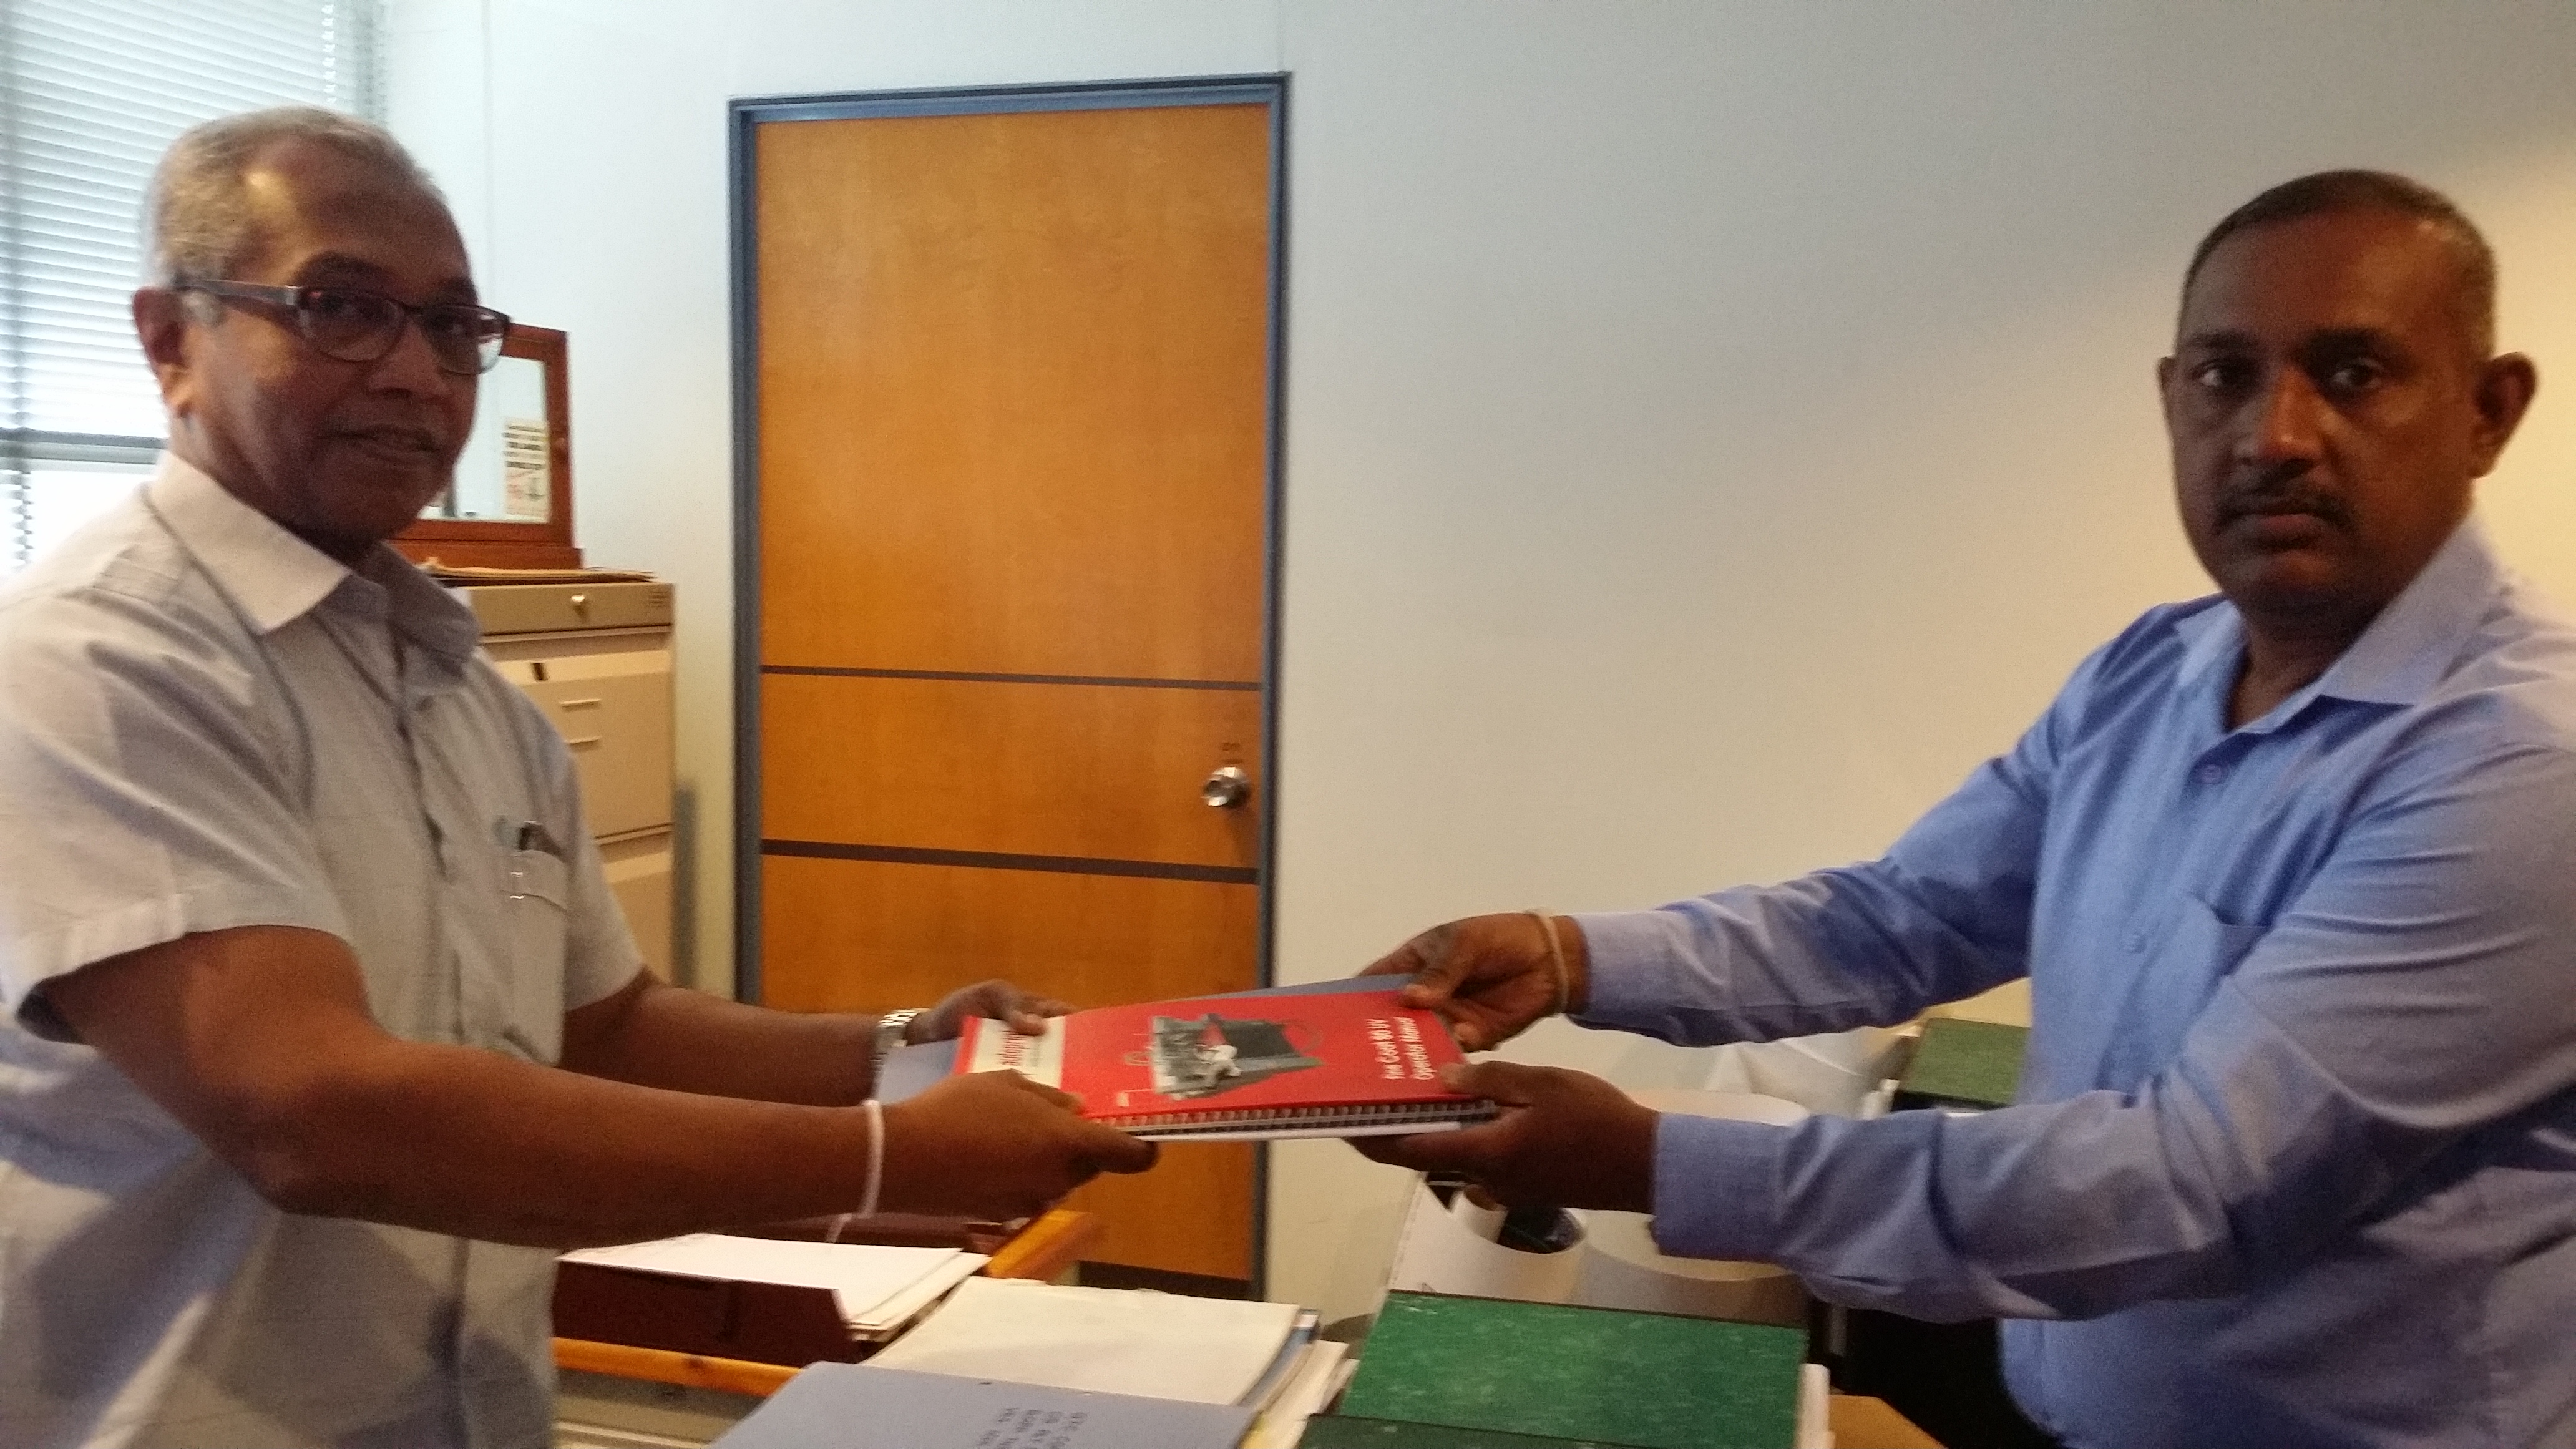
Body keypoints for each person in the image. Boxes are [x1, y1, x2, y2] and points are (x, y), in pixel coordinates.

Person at [0, 107, 1156, 1449]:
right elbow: (312, 1115)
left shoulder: (461, 685)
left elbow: (604, 1024)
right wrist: (890, 1153)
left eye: (452, 327)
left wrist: (903, 1047)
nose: (416, 373)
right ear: (169, 341)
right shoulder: (99, 660)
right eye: (341, 308)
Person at [1360, 171, 2574, 1448]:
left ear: (2488, 411)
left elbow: (2192, 1181)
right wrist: (1569, 955)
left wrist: (1649, 1163)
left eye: (2353, 373)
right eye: (2226, 376)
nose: (2274, 435)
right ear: (2172, 398)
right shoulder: (2149, 675)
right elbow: (1903, 918)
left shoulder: (2520, 765)